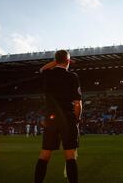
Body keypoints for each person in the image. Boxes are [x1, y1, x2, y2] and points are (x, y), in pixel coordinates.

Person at [34, 50, 82, 183]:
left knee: (44, 154)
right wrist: (77, 120)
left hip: (51, 119)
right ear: (67, 61)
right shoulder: (73, 76)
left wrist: (56, 61)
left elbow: (42, 69)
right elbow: (78, 104)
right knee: (70, 156)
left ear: (56, 61)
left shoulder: (47, 74)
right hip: (67, 119)